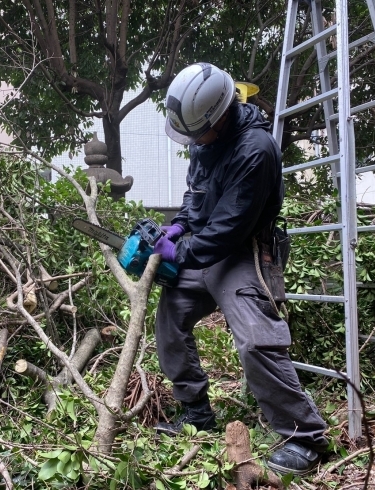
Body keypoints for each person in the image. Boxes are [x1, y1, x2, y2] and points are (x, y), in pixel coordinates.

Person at [151, 62, 329, 475]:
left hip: (243, 250)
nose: (194, 140)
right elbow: (195, 196)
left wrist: (182, 252)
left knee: (254, 338)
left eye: (198, 132)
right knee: (170, 313)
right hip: (207, 246)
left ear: (221, 113)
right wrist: (178, 225)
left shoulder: (256, 150)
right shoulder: (204, 139)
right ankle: (196, 412)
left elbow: (228, 231)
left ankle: (304, 438)